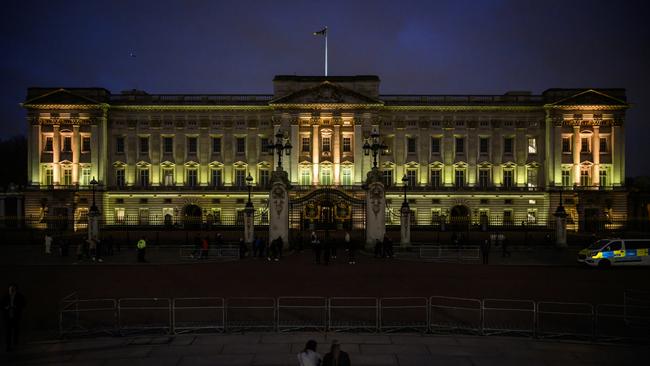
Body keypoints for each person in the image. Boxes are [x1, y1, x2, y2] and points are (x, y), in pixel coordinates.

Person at [2, 284, 26, 352]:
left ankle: (15, 344)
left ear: (15, 290)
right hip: (8, 316)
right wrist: (6, 307)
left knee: (16, 331)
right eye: (10, 289)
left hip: (16, 316)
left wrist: (17, 307)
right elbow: (1, 305)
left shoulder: (19, 296)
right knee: (8, 332)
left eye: (13, 289)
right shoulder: (5, 296)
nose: (11, 290)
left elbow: (24, 303)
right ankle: (8, 346)